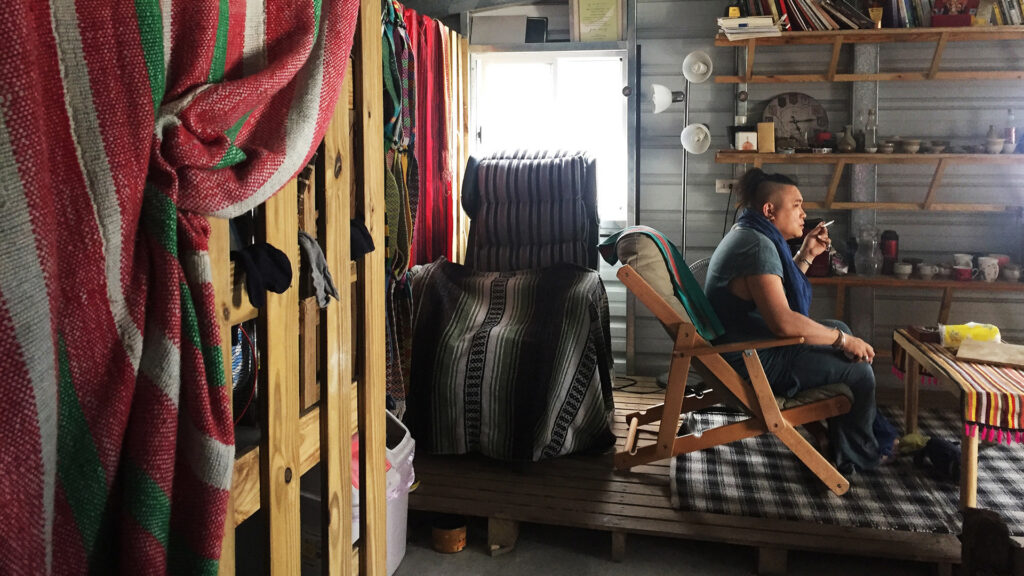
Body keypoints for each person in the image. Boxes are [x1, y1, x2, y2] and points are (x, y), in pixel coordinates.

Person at [705, 168, 897, 474]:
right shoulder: (757, 246)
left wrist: (806, 255)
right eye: (796, 204)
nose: (803, 212)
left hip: (749, 346)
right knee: (860, 371)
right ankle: (859, 454)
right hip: (752, 361)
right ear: (770, 210)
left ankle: (844, 441)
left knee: (842, 329)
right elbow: (782, 322)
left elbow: (773, 296)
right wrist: (842, 340)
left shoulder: (750, 235)